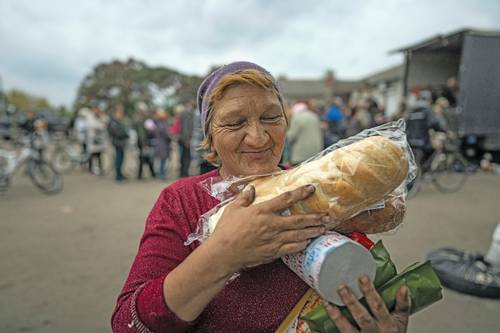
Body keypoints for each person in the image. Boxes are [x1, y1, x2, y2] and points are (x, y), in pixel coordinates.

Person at [111, 61, 410, 332]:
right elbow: (128, 324)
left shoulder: (325, 186)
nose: (258, 137)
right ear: (210, 139)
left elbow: (364, 281)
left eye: (271, 117)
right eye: (235, 122)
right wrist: (224, 253)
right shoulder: (183, 201)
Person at [107, 104, 129, 182]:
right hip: (117, 143)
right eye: (120, 111)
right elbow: (118, 132)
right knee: (118, 160)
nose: (121, 113)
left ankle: (120, 174)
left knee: (121, 160)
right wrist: (125, 133)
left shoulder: (118, 121)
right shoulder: (113, 122)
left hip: (121, 143)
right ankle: (118, 176)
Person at [132, 109, 156, 180]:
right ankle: (141, 175)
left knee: (145, 158)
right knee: (144, 158)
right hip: (142, 143)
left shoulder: (141, 121)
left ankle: (150, 173)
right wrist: (144, 143)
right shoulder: (140, 121)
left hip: (142, 142)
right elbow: (141, 134)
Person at [86, 106, 108, 175]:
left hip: (99, 140)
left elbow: (105, 123)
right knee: (92, 155)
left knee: (99, 155)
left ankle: (100, 168)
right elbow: (92, 125)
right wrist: (100, 126)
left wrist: (102, 117)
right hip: (93, 139)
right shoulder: (90, 117)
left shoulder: (101, 116)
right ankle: (91, 169)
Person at [152, 109, 171, 180]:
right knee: (162, 160)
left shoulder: (158, 123)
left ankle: (161, 173)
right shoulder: (161, 124)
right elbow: (165, 134)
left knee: (161, 160)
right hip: (163, 144)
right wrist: (170, 137)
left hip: (160, 143)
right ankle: (161, 174)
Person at [179, 102, 194, 177]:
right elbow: (185, 127)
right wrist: (187, 140)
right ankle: (184, 173)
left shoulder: (183, 113)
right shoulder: (186, 113)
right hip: (185, 139)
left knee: (184, 157)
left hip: (184, 138)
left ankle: (183, 172)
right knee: (186, 157)